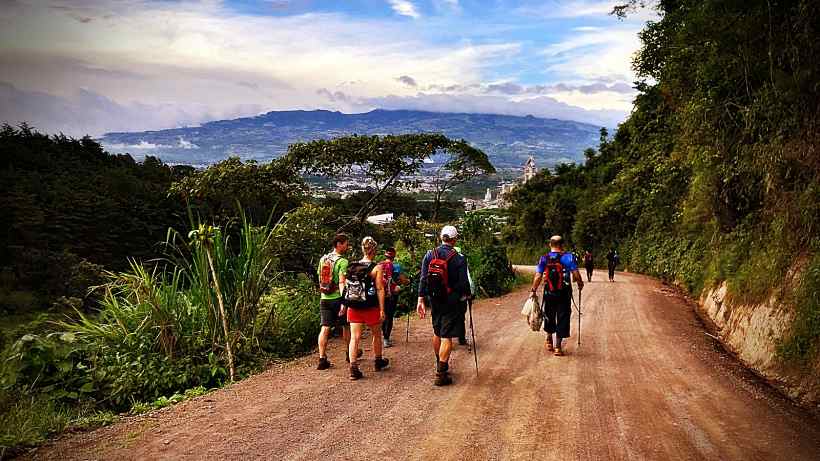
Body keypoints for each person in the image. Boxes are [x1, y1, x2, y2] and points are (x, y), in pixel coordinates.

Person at [417, 225, 470, 386]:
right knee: (447, 336)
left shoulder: (429, 254)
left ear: (441, 237)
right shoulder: (459, 258)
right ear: (454, 239)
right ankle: (441, 373)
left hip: (434, 299)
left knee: (437, 331)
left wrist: (420, 299)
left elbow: (423, 278)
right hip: (451, 300)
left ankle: (440, 361)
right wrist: (466, 296)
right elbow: (463, 283)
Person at [530, 235, 584, 356]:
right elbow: (576, 273)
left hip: (549, 292)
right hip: (564, 293)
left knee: (549, 314)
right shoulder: (569, 257)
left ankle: (549, 340)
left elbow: (538, 276)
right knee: (563, 316)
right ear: (562, 245)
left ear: (550, 245)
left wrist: (533, 290)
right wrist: (580, 284)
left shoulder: (544, 258)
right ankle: (558, 347)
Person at [346, 236, 390, 380]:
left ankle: (353, 368)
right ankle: (378, 361)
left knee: (355, 337)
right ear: (374, 250)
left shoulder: (353, 266)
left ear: (363, 249)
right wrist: (382, 309)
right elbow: (380, 289)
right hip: (370, 307)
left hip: (354, 306)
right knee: (377, 334)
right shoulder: (376, 267)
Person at [316, 234, 352, 370]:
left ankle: (322, 358)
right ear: (338, 244)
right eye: (345, 244)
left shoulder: (323, 259)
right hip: (337, 298)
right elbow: (342, 282)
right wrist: (344, 301)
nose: (346, 246)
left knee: (325, 327)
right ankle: (349, 353)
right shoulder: (343, 261)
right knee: (346, 326)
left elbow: (320, 277)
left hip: (324, 298)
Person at [381, 247, 410, 348]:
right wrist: (408, 282)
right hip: (392, 294)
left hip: (380, 294)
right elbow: (402, 279)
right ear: (394, 255)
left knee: (382, 313)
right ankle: (386, 338)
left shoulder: (379, 264)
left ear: (385, 254)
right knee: (389, 316)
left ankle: (381, 336)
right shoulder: (396, 266)